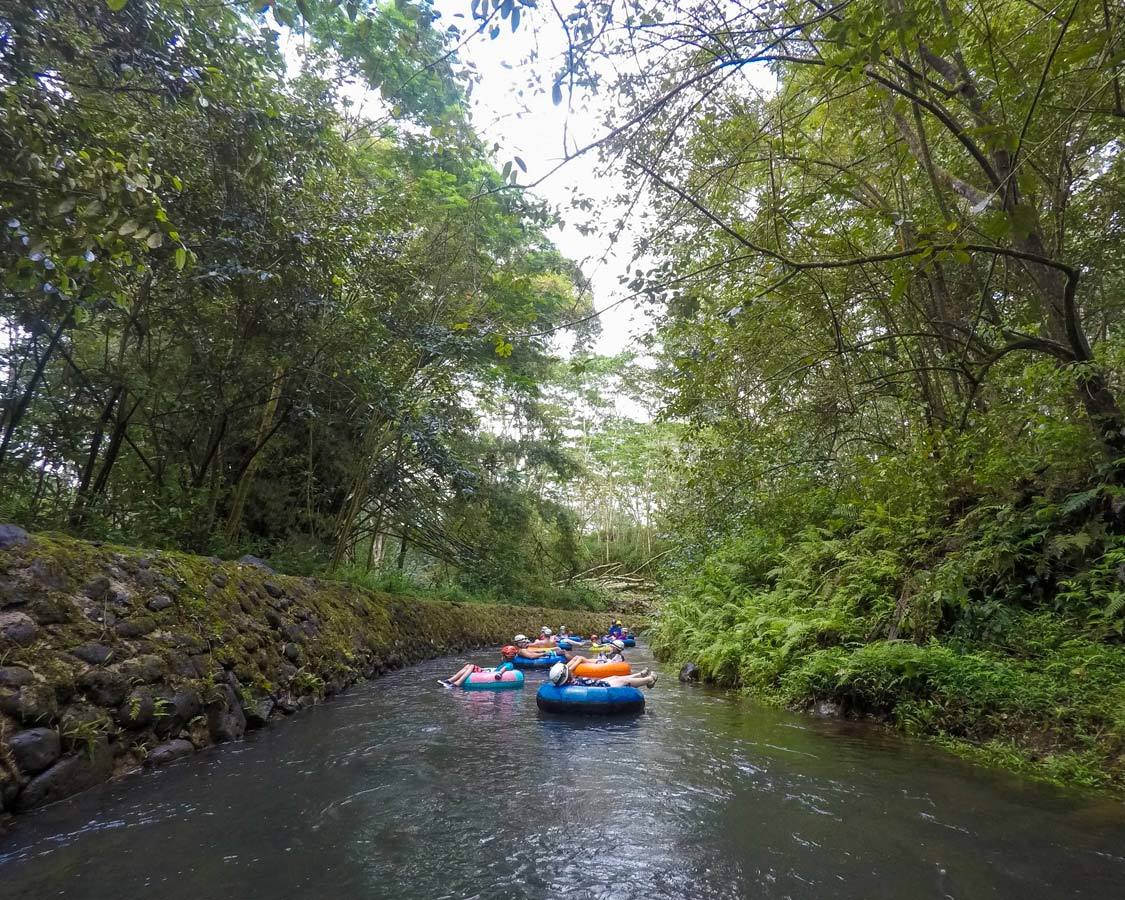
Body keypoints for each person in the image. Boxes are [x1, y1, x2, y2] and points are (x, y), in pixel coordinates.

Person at [441, 645, 519, 687]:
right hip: (487, 672)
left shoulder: (509, 664)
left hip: (487, 674)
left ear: (505, 656)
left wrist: (500, 674)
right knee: (468, 666)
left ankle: (458, 682)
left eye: (502, 655)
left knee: (471, 666)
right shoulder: (505, 662)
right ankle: (449, 681)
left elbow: (505, 669)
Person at [548, 660, 656, 690]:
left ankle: (640, 674)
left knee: (615, 677)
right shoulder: (572, 685)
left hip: (599, 684)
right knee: (622, 681)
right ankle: (649, 679)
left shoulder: (570, 682)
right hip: (602, 688)